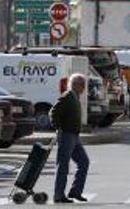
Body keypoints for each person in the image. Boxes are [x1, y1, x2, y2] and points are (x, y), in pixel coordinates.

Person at [49, 73, 90, 203]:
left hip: (74, 136)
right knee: (63, 166)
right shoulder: (67, 96)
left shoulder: (75, 96)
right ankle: (58, 195)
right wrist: (58, 128)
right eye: (82, 85)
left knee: (84, 162)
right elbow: (53, 112)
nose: (84, 88)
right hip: (66, 135)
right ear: (75, 85)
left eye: (84, 85)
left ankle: (75, 192)